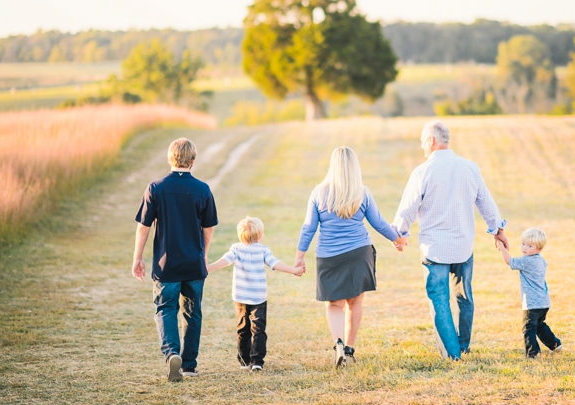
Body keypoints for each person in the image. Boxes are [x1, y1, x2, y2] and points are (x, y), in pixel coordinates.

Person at [391, 120, 508, 361]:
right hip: (463, 246)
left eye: (424, 142)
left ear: (432, 141)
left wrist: (400, 235)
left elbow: (407, 208)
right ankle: (463, 346)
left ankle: (453, 354)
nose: (423, 147)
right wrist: (497, 229)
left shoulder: (422, 171)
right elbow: (486, 202)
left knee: (439, 299)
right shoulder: (469, 167)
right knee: (464, 296)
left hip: (435, 250)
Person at [294, 146, 407, 367]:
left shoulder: (318, 193)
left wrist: (300, 256)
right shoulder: (362, 192)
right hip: (359, 253)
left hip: (329, 255)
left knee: (334, 304)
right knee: (355, 302)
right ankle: (349, 348)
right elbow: (379, 223)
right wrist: (397, 239)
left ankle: (337, 343)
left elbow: (308, 228)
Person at [131, 138, 218, 382]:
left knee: (166, 309)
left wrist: (138, 257)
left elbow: (143, 227)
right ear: (193, 160)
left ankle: (171, 355)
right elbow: (208, 228)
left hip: (165, 265)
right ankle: (189, 365)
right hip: (193, 264)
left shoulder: (155, 188)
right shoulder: (203, 189)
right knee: (193, 313)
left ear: (170, 158)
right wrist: (203, 253)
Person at [206, 216, 305, 371]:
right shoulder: (263, 250)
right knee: (258, 329)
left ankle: (245, 361)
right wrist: (293, 270)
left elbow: (224, 261)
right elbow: (275, 264)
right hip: (258, 298)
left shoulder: (236, 248)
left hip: (240, 297)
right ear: (260, 235)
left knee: (242, 329)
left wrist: (208, 268)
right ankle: (257, 361)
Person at [495, 227, 562, 358]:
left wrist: (502, 247)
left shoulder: (527, 261)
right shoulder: (540, 260)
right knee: (539, 325)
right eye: (523, 244)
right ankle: (555, 344)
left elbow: (509, 261)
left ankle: (533, 353)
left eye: (529, 246)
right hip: (543, 302)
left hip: (532, 303)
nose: (524, 248)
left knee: (528, 328)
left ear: (539, 249)